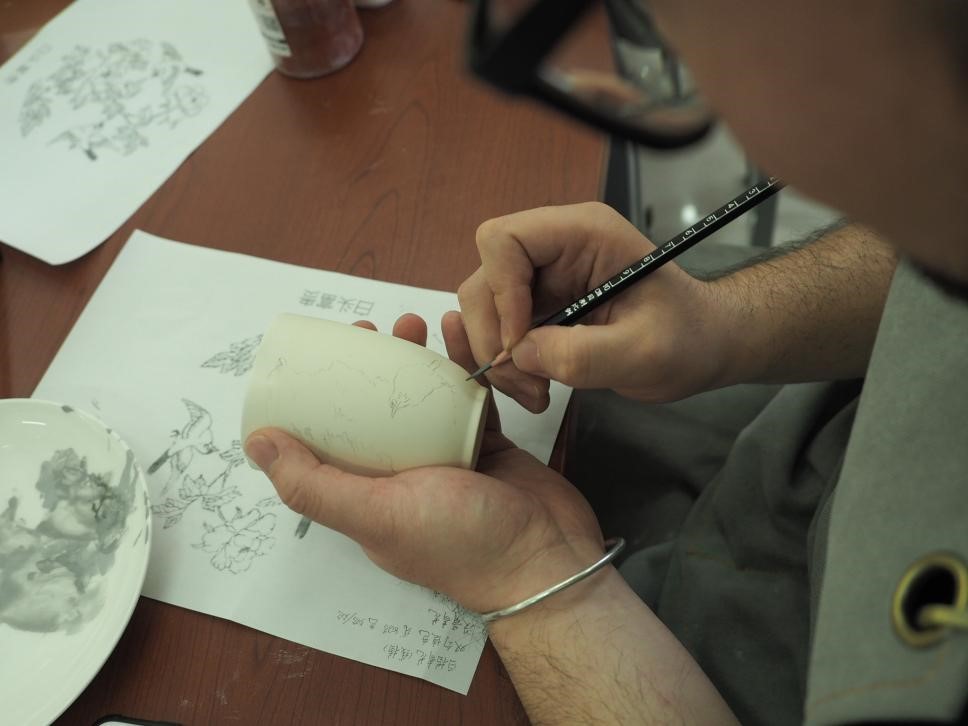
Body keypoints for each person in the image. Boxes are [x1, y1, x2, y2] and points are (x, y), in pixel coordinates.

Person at [244, 1, 968, 723]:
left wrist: (533, 582)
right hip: (818, 418)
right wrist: (724, 325)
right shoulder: (941, 172)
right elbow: (929, 260)